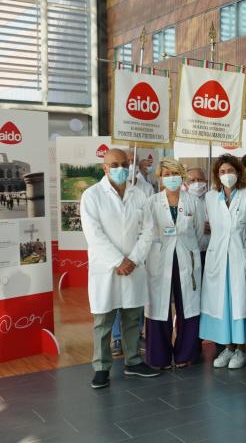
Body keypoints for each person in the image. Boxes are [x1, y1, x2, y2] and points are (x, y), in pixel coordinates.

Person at [80, 148, 160, 389]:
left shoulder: (139, 195)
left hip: (133, 266)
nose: (120, 168)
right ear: (104, 168)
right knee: (103, 320)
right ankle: (102, 367)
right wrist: (118, 261)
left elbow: (148, 231)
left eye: (124, 163)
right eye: (114, 164)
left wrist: (133, 259)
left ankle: (134, 360)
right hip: (107, 268)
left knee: (133, 317)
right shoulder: (92, 195)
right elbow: (94, 234)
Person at [199, 155, 246, 371]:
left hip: (242, 258)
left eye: (231, 170)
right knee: (224, 306)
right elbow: (206, 225)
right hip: (219, 260)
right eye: (222, 172)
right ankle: (227, 347)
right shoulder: (210, 197)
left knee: (241, 304)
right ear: (217, 176)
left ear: (238, 172)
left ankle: (242, 350)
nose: (227, 175)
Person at [143, 159, 208, 369]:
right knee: (158, 306)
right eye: (166, 174)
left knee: (188, 306)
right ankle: (158, 357)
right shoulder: (151, 202)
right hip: (159, 260)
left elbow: (198, 233)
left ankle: (186, 354)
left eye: (175, 173)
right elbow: (146, 234)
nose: (171, 177)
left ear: (181, 176)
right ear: (160, 177)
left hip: (186, 258)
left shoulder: (193, 202)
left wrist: (188, 248)